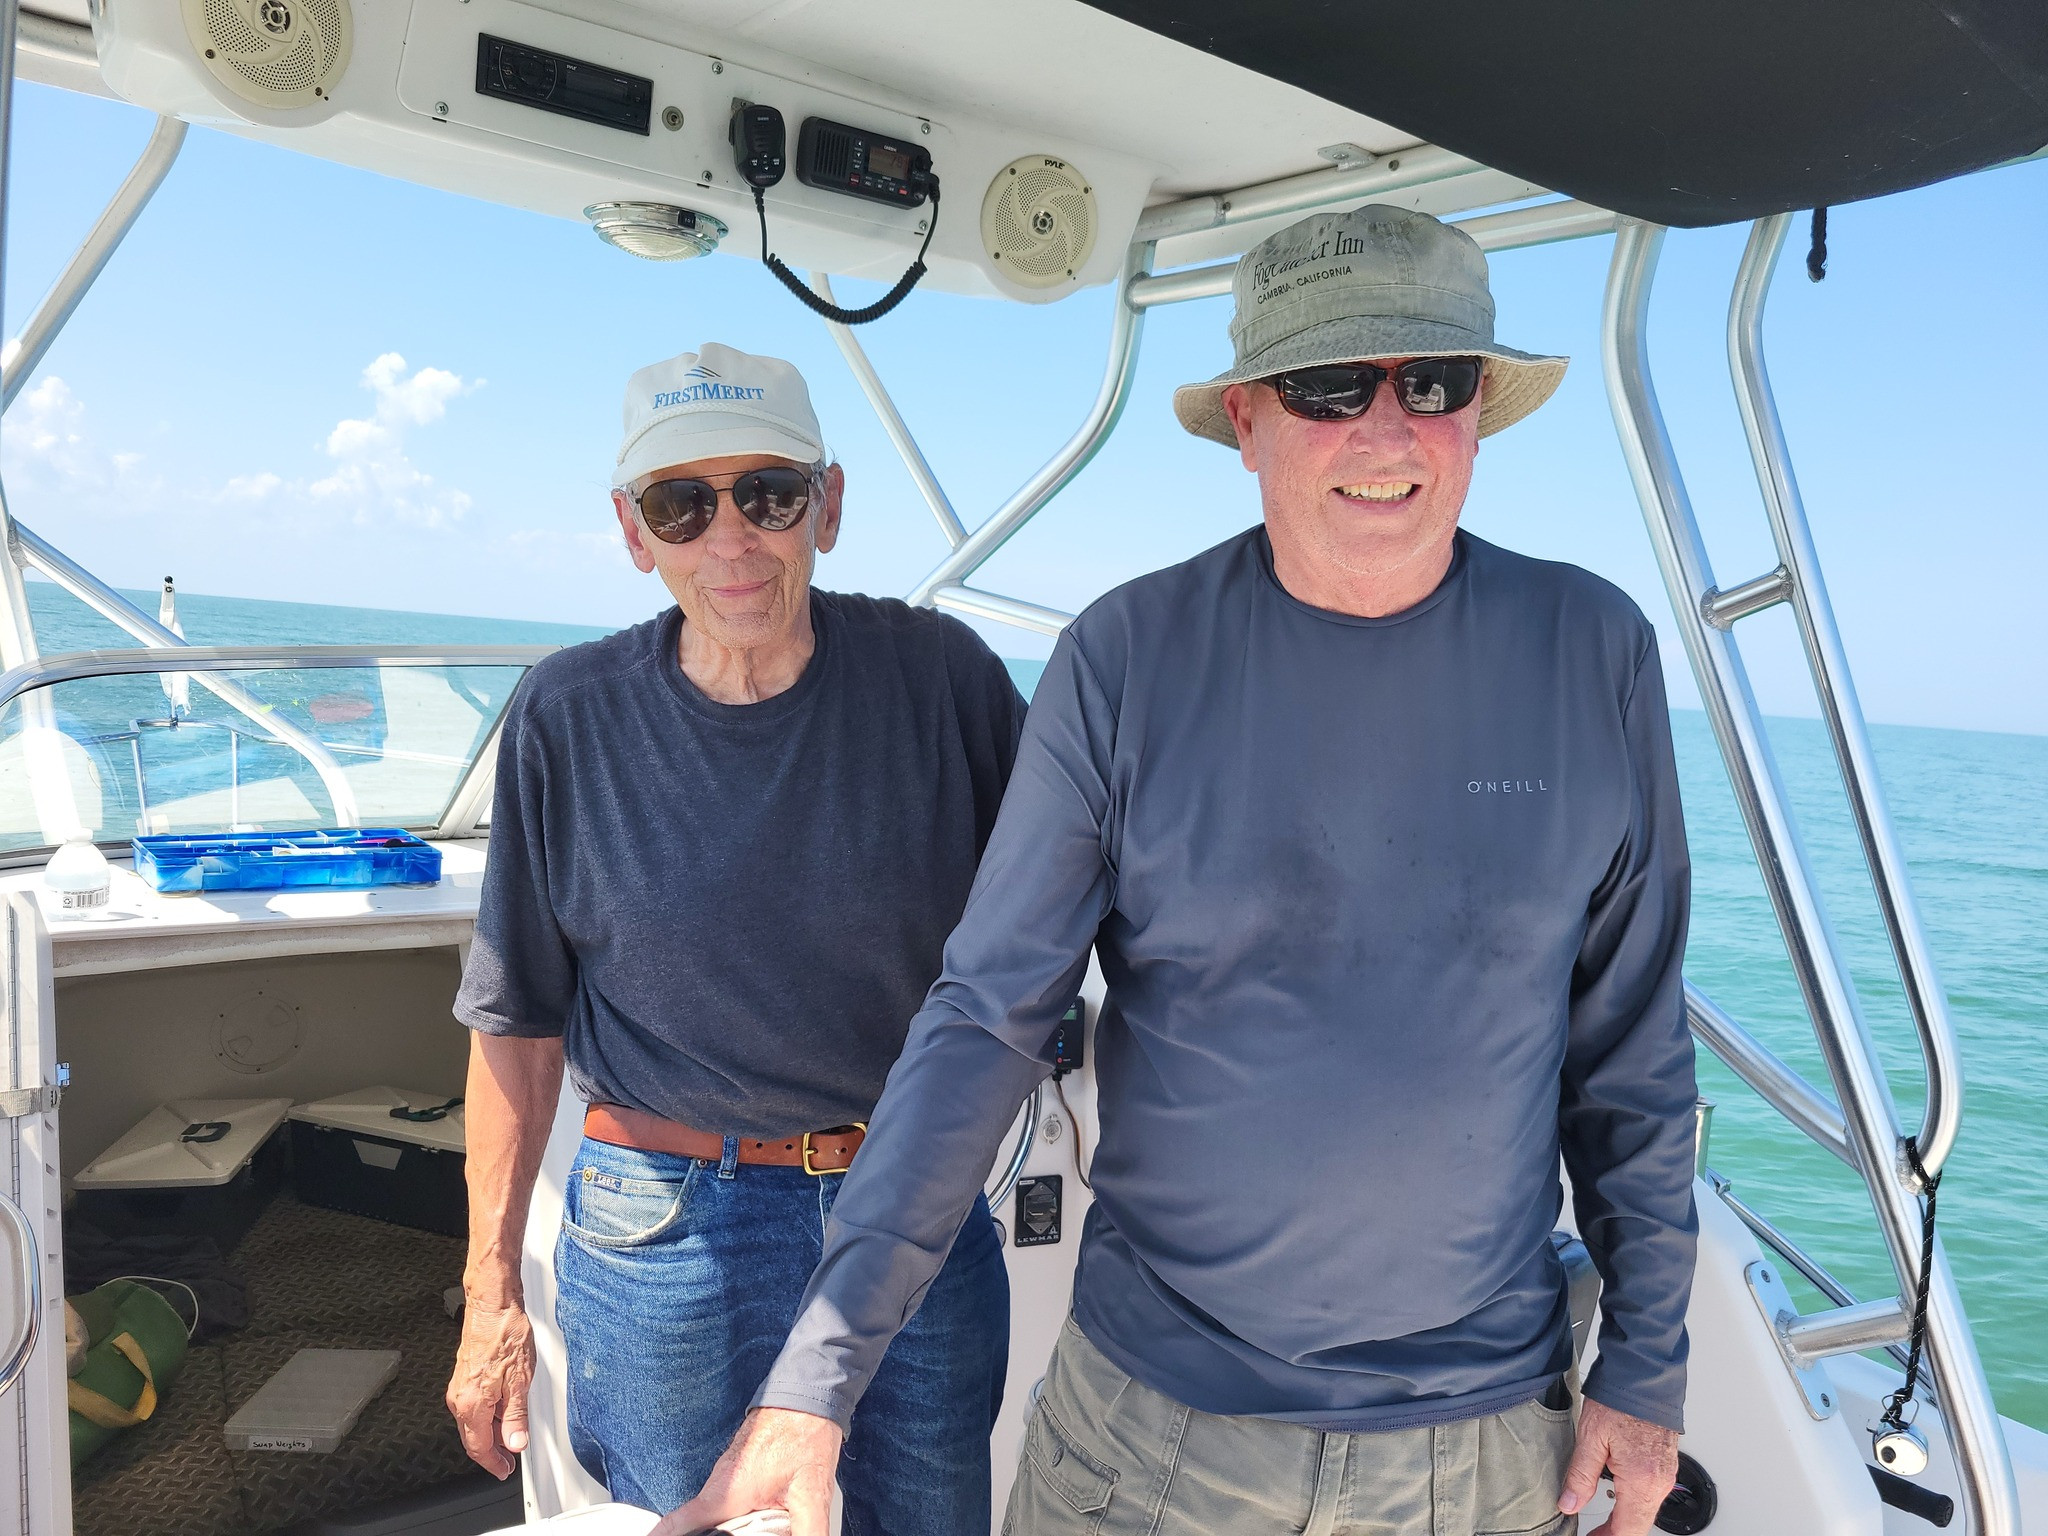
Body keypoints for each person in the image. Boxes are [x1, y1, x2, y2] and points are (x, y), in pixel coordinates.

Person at [674, 207, 1700, 1536]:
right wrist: (817, 1382)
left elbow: (1630, 1051)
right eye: (1330, 386)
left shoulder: (1597, 652)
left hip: (1483, 1447)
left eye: (1433, 383)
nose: (1386, 431)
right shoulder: (1122, 661)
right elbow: (988, 1019)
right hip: (1148, 1442)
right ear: (1247, 420)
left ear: (1476, 413)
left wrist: (1646, 1365)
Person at [444, 343, 1025, 1536]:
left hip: (908, 1205)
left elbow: (1078, 887)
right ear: (632, 531)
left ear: (827, 505)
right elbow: (516, 1022)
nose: (730, 539)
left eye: (767, 494)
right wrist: (489, 1294)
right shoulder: (566, 713)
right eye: (681, 504)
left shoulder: (942, 679)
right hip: (658, 1227)